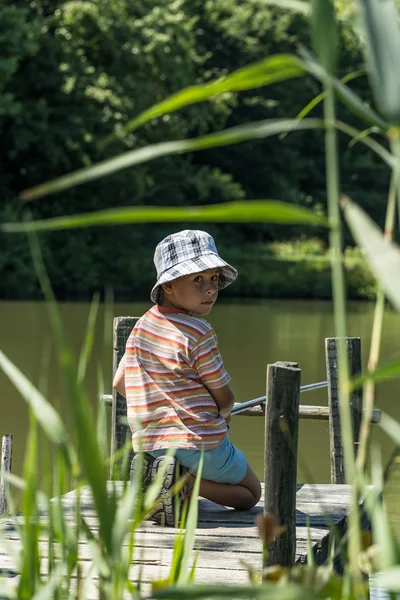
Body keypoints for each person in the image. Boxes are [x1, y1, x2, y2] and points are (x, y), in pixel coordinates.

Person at [113, 229, 261, 526]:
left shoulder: (142, 327)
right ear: (168, 285)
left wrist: (162, 410)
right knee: (250, 494)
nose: (210, 289)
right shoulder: (199, 332)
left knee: (182, 463)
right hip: (199, 444)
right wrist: (225, 411)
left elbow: (119, 384)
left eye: (214, 279)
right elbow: (224, 395)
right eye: (198, 279)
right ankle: (186, 484)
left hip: (151, 445)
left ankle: (164, 480)